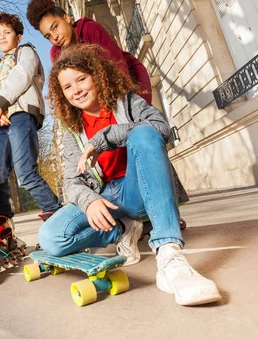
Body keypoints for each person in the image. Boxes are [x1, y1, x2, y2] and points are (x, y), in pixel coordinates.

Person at [39, 44, 221, 306]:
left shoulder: (127, 102)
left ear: (96, 75)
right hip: (105, 197)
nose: (76, 90)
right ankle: (123, 229)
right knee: (51, 238)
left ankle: (169, 256)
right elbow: (71, 180)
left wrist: (104, 138)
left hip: (136, 191)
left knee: (145, 133)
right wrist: (89, 201)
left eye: (81, 79)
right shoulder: (72, 128)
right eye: (67, 87)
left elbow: (161, 128)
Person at [0, 11, 61, 250]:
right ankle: (3, 224)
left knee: (25, 172)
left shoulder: (25, 51)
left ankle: (56, 216)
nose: (3, 37)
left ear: (17, 36)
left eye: (7, 32)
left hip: (21, 114)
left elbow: (22, 76)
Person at [26, 0, 152, 104]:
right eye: (48, 36)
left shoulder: (90, 29)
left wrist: (123, 100)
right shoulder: (56, 53)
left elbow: (117, 64)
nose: (55, 37)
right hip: (95, 91)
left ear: (66, 18)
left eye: (55, 27)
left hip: (129, 75)